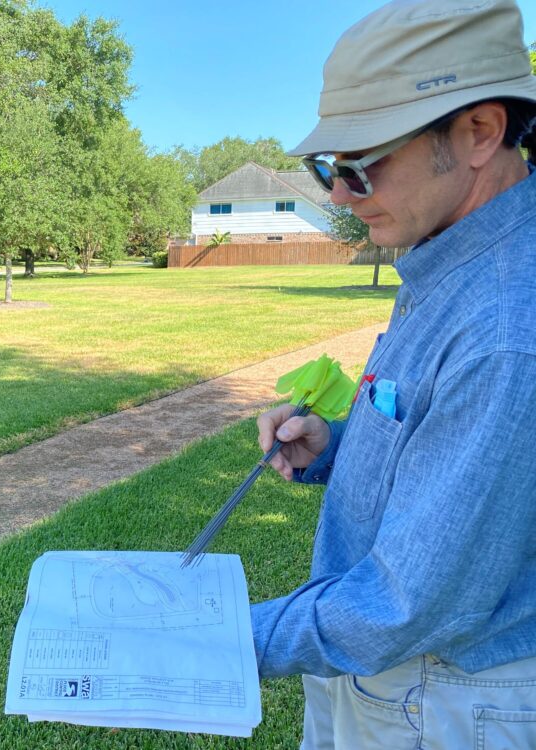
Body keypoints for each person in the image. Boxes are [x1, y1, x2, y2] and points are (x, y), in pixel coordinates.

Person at [249, 1, 536, 747]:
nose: (341, 194)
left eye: (361, 162)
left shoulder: (507, 325)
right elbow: (439, 451)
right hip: (379, 675)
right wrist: (336, 447)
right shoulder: (448, 257)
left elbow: (410, 603)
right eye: (329, 168)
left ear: (479, 132)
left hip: (442, 694)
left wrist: (217, 636)